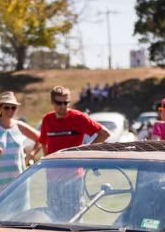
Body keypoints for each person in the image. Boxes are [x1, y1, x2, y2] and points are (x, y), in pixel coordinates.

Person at [39, 86, 111, 219]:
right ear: (52, 102)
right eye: (59, 103)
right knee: (53, 216)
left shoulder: (79, 117)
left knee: (74, 215)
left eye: (66, 103)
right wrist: (47, 164)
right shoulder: (47, 119)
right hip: (52, 177)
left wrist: (86, 149)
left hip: (73, 177)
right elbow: (43, 142)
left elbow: (104, 133)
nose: (63, 106)